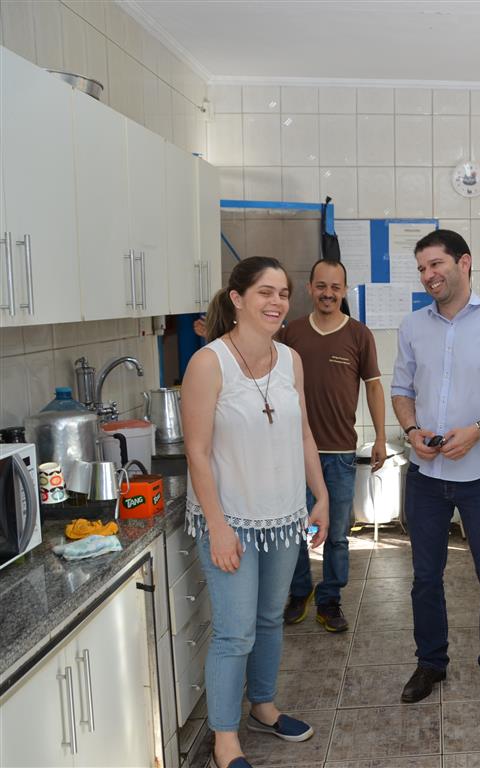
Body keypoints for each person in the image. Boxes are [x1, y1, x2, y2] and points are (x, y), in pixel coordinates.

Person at [183, 256, 330, 768]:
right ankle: (225, 740)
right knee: (235, 632)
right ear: (237, 299)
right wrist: (218, 527)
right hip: (231, 520)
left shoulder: (290, 360)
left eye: (284, 293)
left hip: (284, 517)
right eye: (265, 292)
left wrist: (321, 496)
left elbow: (303, 432)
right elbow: (197, 451)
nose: (277, 302)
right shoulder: (209, 363)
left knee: (270, 619)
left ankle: (263, 707)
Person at [391, 229, 480, 710]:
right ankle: (430, 663)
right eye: (422, 268)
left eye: (436, 264)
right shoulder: (413, 326)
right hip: (426, 477)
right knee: (424, 578)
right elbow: (401, 390)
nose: (428, 275)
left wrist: (479, 429)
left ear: (464, 263)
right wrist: (412, 430)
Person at [281, 258, 388, 633]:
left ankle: (329, 600)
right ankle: (299, 593)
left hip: (340, 453)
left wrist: (380, 436)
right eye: (321, 286)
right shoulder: (291, 333)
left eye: (335, 287)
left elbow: (374, 387)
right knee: (298, 530)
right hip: (295, 453)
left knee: (338, 535)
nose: (328, 293)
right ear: (310, 288)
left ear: (344, 291)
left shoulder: (359, 334)